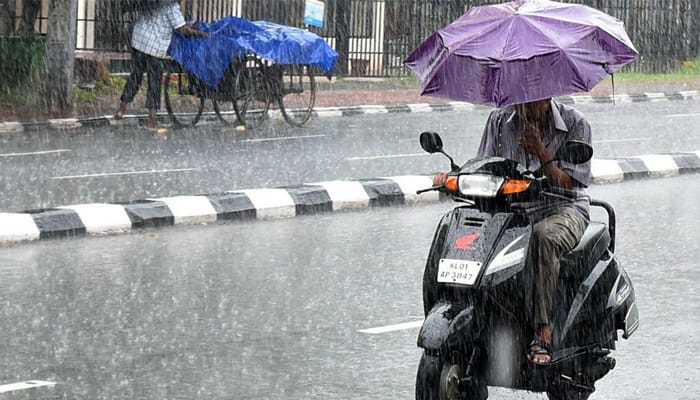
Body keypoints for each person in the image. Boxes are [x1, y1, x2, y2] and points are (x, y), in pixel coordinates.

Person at [433, 98, 592, 364]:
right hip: (511, 209)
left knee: (543, 237)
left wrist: (541, 151)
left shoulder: (576, 124)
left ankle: (543, 330)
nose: (525, 105)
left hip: (562, 208)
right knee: (462, 227)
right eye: (522, 98)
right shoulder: (498, 121)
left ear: (548, 94)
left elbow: (571, 183)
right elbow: (484, 163)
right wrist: (453, 177)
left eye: (533, 99)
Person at [115, 1, 207, 131]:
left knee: (136, 76)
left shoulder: (152, 2)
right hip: (155, 47)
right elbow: (181, 29)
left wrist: (189, 26)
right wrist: (199, 34)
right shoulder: (171, 5)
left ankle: (121, 109)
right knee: (154, 82)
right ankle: (151, 121)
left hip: (139, 41)